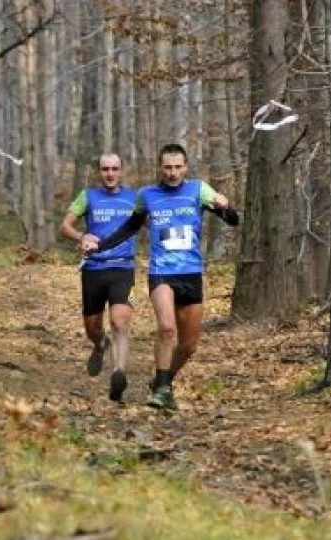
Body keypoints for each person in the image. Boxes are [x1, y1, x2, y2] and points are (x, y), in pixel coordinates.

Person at [82, 143, 239, 410]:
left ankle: (161, 381)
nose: (173, 173)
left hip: (191, 273)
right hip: (161, 272)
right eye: (167, 167)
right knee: (167, 328)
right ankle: (164, 390)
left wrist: (225, 207)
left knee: (189, 347)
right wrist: (100, 245)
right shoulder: (147, 195)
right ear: (160, 167)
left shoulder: (198, 190)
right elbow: (129, 227)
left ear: (185, 167)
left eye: (178, 167)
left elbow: (233, 221)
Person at [59, 153, 137, 402]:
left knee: (119, 322)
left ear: (122, 171)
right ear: (99, 172)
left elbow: (150, 222)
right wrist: (81, 237)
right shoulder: (88, 197)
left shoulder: (134, 198)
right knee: (93, 327)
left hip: (122, 267)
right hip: (93, 269)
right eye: (105, 169)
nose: (110, 174)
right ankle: (100, 343)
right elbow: (65, 226)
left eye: (115, 169)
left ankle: (118, 373)